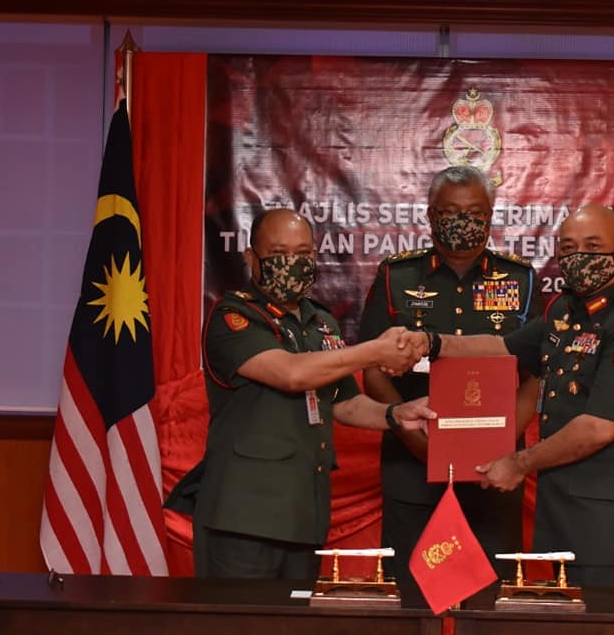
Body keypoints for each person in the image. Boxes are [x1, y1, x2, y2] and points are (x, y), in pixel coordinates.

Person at [402, 204, 614, 588]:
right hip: (564, 510)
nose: (579, 256)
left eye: (593, 245)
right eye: (568, 248)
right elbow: (502, 348)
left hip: (613, 524)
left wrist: (517, 463)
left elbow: (598, 428)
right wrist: (432, 343)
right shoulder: (565, 309)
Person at [165, 208, 434, 583]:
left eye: (304, 254)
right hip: (244, 519)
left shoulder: (320, 322)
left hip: (304, 516)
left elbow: (346, 403)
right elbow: (291, 374)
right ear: (250, 257)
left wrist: (395, 414)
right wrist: (374, 351)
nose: (293, 263)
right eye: (279, 253)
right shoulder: (233, 317)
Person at [357, 165, 543, 600]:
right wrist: (420, 444)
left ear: (491, 214)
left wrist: (500, 443)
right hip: (412, 464)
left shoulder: (520, 279)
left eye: (475, 212)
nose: (463, 221)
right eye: (452, 211)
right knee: (413, 597)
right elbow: (371, 369)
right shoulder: (396, 276)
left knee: (491, 602)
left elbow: (536, 374)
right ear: (430, 214)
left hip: (493, 473)